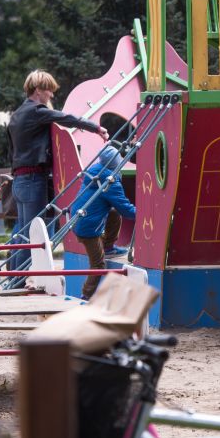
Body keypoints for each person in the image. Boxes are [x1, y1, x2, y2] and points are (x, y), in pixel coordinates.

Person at [8, 70, 107, 268]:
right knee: (33, 237)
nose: (52, 95)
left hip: (19, 181)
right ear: (38, 90)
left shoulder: (16, 115)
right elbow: (66, 118)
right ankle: (18, 279)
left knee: (23, 235)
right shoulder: (36, 111)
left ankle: (14, 277)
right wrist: (96, 128)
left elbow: (11, 150)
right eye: (49, 90)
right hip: (33, 180)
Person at [70, 112, 137, 300]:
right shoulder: (110, 181)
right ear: (116, 164)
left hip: (79, 218)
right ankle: (85, 296)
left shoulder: (94, 172)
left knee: (114, 212)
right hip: (88, 229)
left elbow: (118, 209)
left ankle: (108, 246)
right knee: (98, 265)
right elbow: (126, 209)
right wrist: (144, 214)